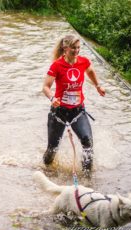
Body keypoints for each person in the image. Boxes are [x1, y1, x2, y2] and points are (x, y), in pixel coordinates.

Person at [42, 35, 105, 172]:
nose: (76, 51)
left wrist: (98, 85)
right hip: (59, 112)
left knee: (87, 142)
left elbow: (91, 71)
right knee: (52, 149)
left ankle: (87, 179)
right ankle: (46, 172)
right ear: (65, 48)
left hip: (78, 110)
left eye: (78, 48)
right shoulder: (57, 65)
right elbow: (46, 87)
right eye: (73, 49)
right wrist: (53, 98)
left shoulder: (83, 62)